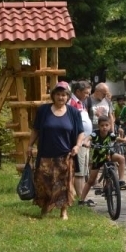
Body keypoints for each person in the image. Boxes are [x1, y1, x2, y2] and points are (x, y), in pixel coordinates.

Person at [28, 81, 85, 220]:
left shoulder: (73, 113)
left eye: (64, 95)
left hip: (65, 155)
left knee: (64, 184)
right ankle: (45, 208)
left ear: (68, 97)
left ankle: (63, 211)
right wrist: (29, 145)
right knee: (44, 182)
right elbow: (36, 130)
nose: (61, 97)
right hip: (45, 154)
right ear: (53, 95)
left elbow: (80, 133)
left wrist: (77, 146)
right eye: (58, 94)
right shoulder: (43, 110)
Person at [79, 116, 126, 207]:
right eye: (102, 125)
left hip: (108, 155)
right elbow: (88, 138)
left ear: (110, 126)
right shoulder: (95, 134)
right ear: (98, 126)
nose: (104, 127)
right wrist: (85, 142)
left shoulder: (110, 134)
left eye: (106, 125)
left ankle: (121, 180)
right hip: (98, 158)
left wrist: (125, 140)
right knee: (91, 180)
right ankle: (81, 199)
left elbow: (117, 139)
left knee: (121, 158)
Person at [69, 80, 93, 201]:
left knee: (84, 171)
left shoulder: (81, 103)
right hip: (79, 142)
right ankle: (81, 198)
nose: (88, 96)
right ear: (77, 91)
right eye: (86, 93)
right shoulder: (71, 103)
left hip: (86, 142)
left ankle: (82, 196)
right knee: (79, 172)